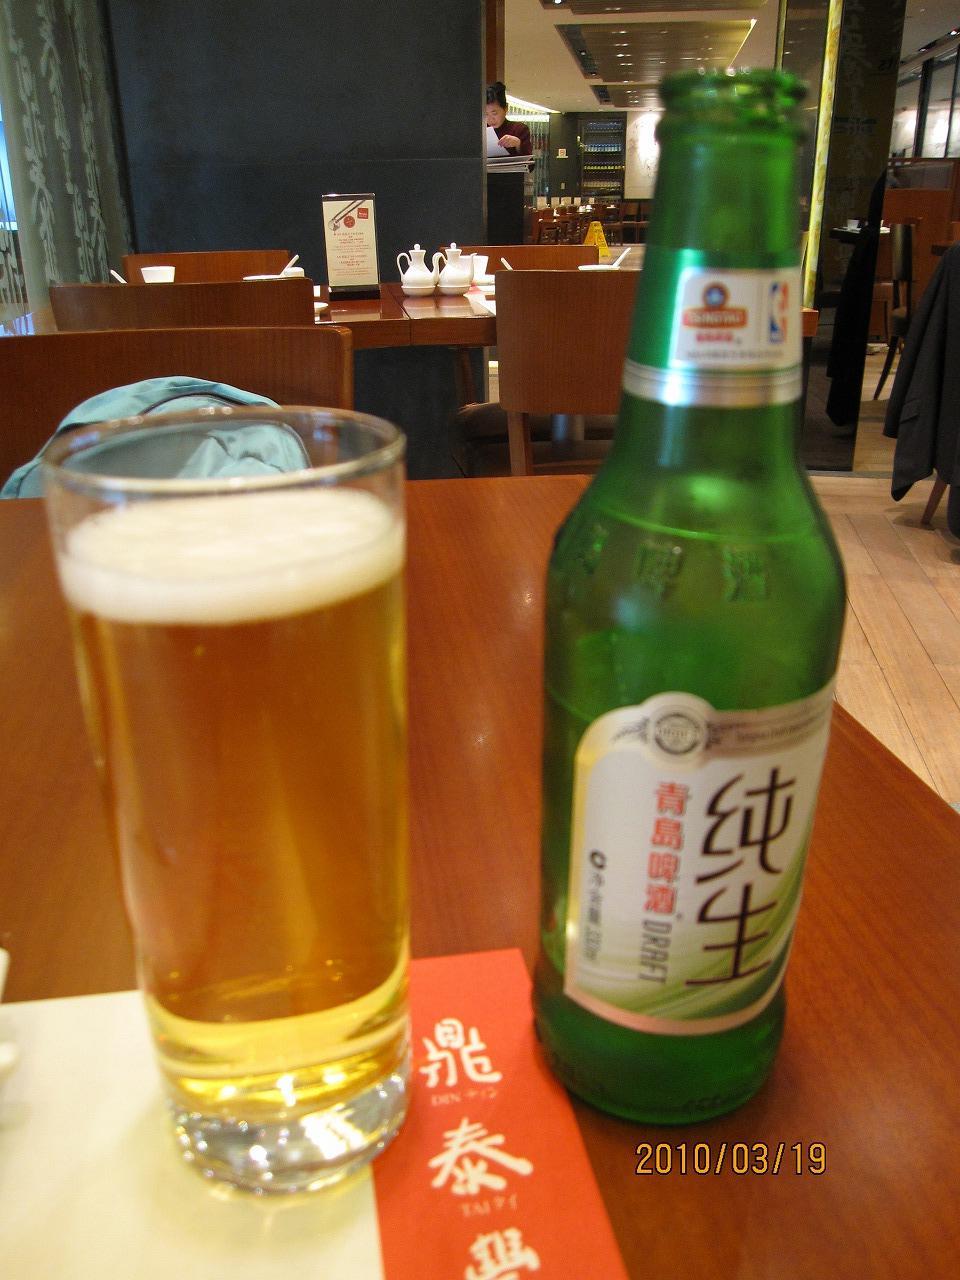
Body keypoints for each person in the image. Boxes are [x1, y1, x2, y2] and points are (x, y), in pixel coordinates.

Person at [485, 82, 532, 156]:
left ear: (505, 108)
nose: (490, 119)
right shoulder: (481, 131)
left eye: (494, 113)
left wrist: (518, 144)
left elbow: (529, 162)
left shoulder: (519, 129)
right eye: (486, 114)